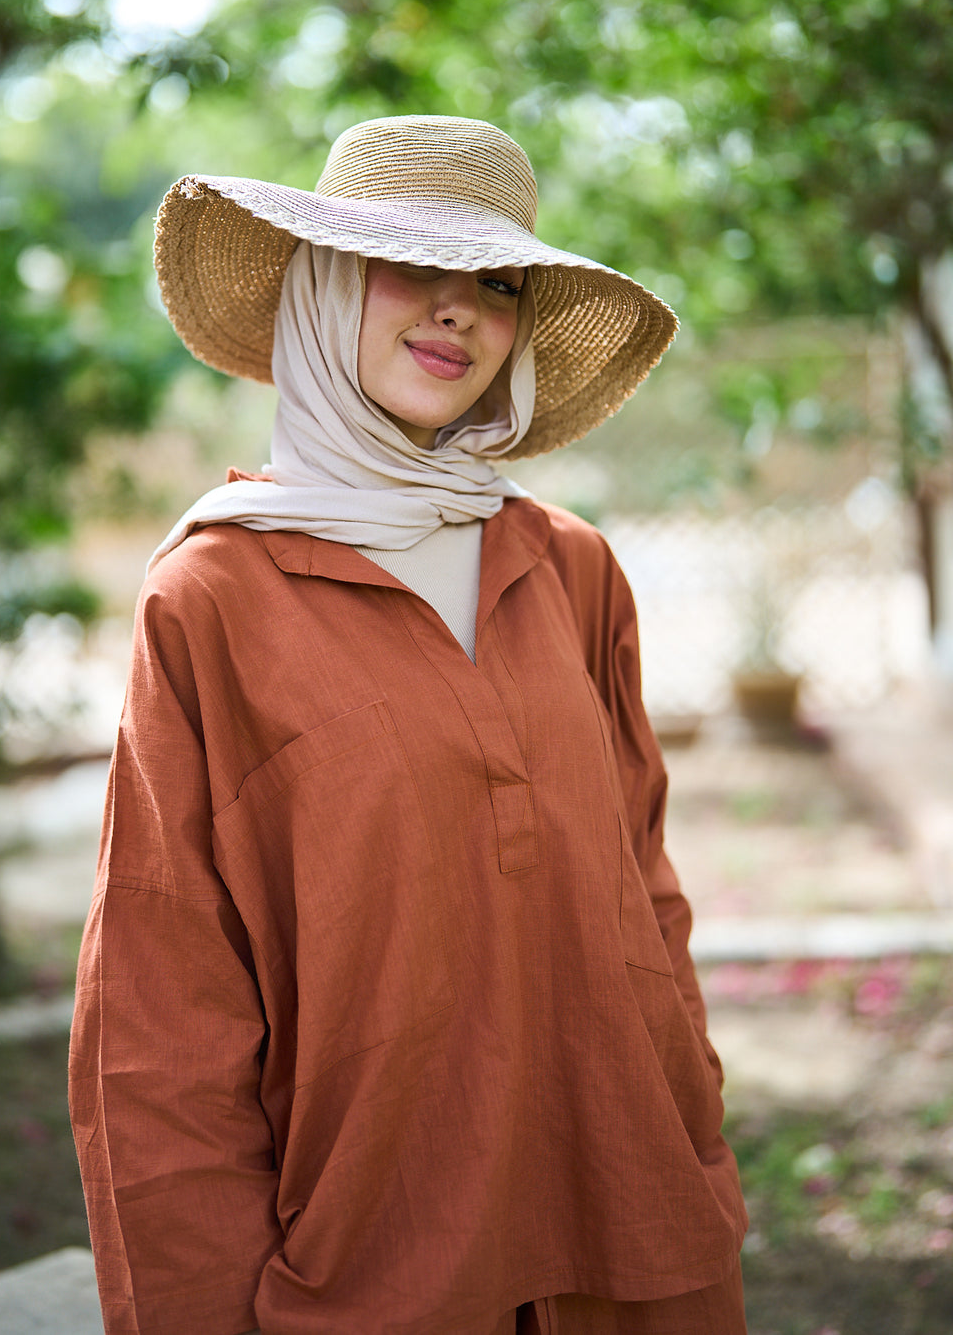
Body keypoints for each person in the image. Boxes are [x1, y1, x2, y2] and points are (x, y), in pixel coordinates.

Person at [69, 114, 748, 1335]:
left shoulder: (570, 567)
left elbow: (643, 885)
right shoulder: (213, 599)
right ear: (324, 285)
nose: (456, 311)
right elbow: (163, 1011)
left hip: (634, 1231)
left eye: (494, 281)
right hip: (373, 1264)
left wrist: (693, 1124)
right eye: (409, 264)